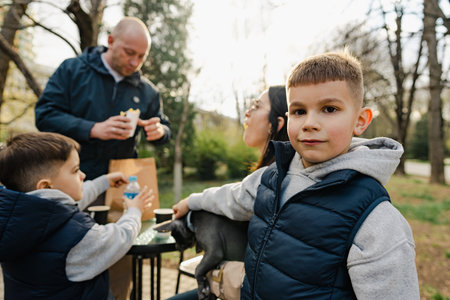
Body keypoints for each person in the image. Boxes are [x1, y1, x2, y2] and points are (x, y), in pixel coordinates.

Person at [172, 50, 420, 299]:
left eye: (329, 109)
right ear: (289, 116)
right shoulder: (273, 177)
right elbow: (234, 197)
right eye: (299, 111)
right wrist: (191, 201)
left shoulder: (377, 219)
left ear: (360, 120)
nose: (309, 123)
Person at [168, 85, 289, 300]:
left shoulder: (273, 175)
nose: (247, 112)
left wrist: (191, 201)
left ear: (277, 124)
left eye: (256, 106)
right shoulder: (277, 170)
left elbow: (237, 198)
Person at [0, 132, 153, 300]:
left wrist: (104, 181)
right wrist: (134, 210)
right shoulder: (79, 239)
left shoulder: (15, 218)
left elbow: (59, 204)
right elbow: (119, 238)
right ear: (46, 186)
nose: (83, 175)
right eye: (75, 170)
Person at [35, 16, 171, 203]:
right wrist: (92, 129)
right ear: (111, 41)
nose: (134, 62)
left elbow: (163, 126)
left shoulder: (148, 91)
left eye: (141, 57)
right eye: (129, 52)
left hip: (122, 185)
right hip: (72, 180)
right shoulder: (72, 70)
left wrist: (160, 131)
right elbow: (44, 116)